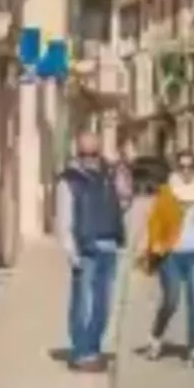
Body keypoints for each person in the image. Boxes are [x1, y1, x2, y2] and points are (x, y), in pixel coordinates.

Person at [55, 131, 126, 372]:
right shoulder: (69, 181)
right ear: (78, 154)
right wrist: (71, 253)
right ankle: (81, 351)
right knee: (83, 302)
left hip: (109, 244)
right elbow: (64, 220)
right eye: (85, 155)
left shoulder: (109, 175)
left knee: (103, 304)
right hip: (85, 248)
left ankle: (94, 349)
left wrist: (121, 176)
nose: (90, 160)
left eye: (94, 154)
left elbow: (124, 201)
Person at [141, 151, 194, 365]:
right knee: (171, 300)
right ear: (176, 169)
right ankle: (156, 337)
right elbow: (155, 220)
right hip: (171, 254)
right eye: (182, 166)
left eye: (190, 167)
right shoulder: (166, 192)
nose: (186, 171)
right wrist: (154, 243)